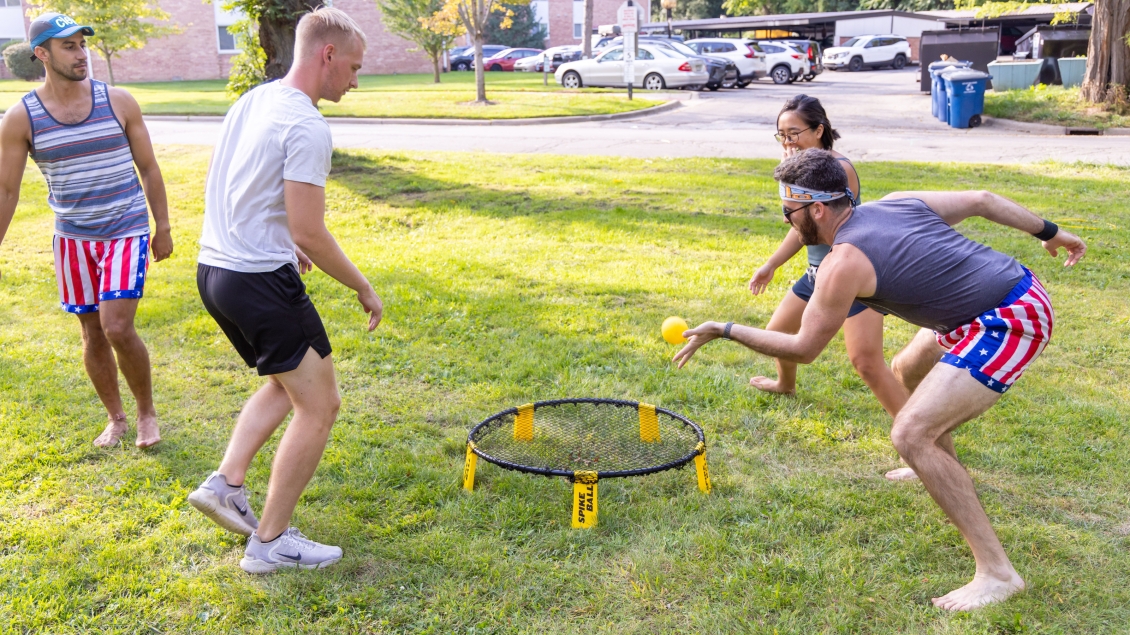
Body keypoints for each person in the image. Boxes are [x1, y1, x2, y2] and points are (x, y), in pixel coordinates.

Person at [672, 149, 1085, 611]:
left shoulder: (841, 264)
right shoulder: (896, 201)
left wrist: (723, 329)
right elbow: (983, 199)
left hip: (1007, 319)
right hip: (1004, 292)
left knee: (909, 432)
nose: (786, 221)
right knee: (906, 370)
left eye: (788, 212)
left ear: (816, 210)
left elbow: (803, 349)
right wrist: (1051, 233)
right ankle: (938, 466)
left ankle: (997, 573)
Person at [186, 7, 382, 574]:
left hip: (215, 272)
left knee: (285, 380)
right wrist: (363, 287)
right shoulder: (307, 124)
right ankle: (270, 543)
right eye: (353, 67)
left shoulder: (255, 98)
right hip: (258, 281)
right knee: (320, 404)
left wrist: (273, 236)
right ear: (327, 56)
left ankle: (226, 484)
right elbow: (310, 231)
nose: (355, 78)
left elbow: (231, 180)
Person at [0, 13, 173, 448]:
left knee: (116, 326)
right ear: (41, 53)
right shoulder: (21, 118)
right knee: (92, 331)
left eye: (82, 44)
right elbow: (6, 191)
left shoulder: (117, 101)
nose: (82, 54)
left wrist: (163, 225)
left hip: (125, 227)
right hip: (73, 237)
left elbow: (149, 169)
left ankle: (146, 413)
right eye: (69, 46)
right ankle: (115, 419)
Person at [748, 95, 907, 419]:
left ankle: (919, 438)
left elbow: (820, 224)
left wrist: (794, 179)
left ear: (819, 129)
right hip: (816, 273)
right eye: (782, 134)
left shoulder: (840, 168)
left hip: (849, 274)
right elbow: (803, 223)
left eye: (794, 133)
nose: (788, 141)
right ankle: (785, 384)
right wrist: (771, 264)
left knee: (866, 362)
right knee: (777, 334)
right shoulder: (803, 168)